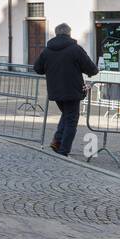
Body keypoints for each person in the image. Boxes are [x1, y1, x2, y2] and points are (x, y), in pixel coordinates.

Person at [33, 22, 98, 157]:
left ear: (56, 34)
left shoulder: (47, 50)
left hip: (55, 91)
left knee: (67, 115)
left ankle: (57, 141)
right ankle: (63, 150)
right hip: (73, 91)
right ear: (69, 33)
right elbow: (92, 69)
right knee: (71, 120)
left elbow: (37, 69)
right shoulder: (75, 49)